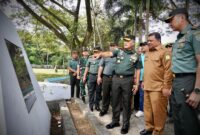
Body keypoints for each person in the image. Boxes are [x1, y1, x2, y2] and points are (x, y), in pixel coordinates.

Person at [95, 35, 142, 134]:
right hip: (116, 78)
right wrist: (101, 54)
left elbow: (138, 70)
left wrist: (136, 84)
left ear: (133, 43)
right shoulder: (119, 51)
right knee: (115, 100)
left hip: (128, 80)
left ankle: (125, 124)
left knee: (126, 103)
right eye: (124, 41)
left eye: (128, 41)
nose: (125, 42)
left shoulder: (136, 55)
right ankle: (115, 121)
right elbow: (109, 53)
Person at [165, 8, 200, 135]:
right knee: (178, 120)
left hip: (189, 81)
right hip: (177, 82)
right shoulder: (179, 39)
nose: (169, 24)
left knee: (189, 123)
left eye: (171, 20)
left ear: (182, 18)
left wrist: (197, 90)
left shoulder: (194, 34)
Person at [140, 32, 173, 135]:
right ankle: (149, 128)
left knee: (158, 113)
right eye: (148, 41)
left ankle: (158, 131)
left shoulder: (165, 52)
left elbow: (168, 71)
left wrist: (166, 87)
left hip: (158, 88)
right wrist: (144, 81)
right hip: (147, 86)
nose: (148, 42)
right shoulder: (148, 52)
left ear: (158, 40)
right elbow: (147, 69)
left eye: (151, 41)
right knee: (148, 111)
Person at [97, 42, 118, 117]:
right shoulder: (105, 56)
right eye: (111, 46)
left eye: (113, 46)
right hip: (106, 77)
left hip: (116, 78)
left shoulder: (119, 55)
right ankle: (104, 109)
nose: (112, 47)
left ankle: (115, 110)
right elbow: (101, 66)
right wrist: (99, 76)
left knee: (115, 95)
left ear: (116, 47)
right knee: (105, 94)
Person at [83, 46, 102, 112]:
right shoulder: (90, 58)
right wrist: (84, 76)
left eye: (97, 52)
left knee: (98, 92)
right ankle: (91, 105)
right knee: (91, 92)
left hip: (99, 77)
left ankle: (97, 106)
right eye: (94, 51)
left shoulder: (102, 58)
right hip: (91, 76)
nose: (95, 53)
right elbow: (87, 67)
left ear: (100, 52)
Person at [135, 42, 149, 118]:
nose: (142, 47)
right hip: (141, 79)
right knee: (141, 95)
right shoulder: (140, 56)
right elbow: (138, 69)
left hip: (150, 79)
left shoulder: (151, 55)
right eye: (142, 46)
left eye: (144, 45)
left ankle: (149, 111)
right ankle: (141, 110)